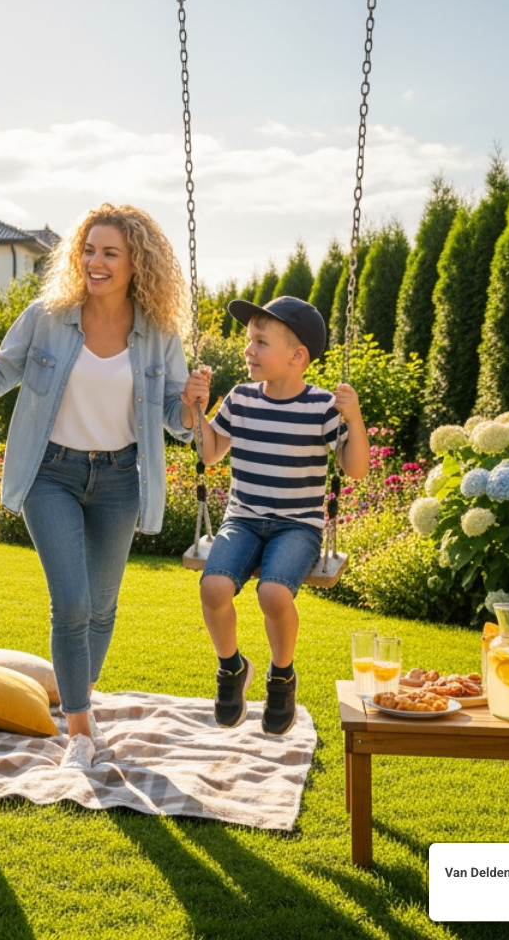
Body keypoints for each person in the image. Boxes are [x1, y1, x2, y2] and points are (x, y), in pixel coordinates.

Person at [0, 203, 211, 771]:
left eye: (110, 253)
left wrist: (193, 403)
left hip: (120, 478)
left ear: (136, 263)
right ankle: (77, 730)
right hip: (51, 473)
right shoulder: (47, 317)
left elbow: (176, 420)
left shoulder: (158, 333)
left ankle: (80, 698)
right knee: (71, 603)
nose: (96, 262)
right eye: (89, 250)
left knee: (101, 606)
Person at [194, 295, 367, 736]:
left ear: (297, 356)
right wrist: (195, 408)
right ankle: (231, 667)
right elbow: (210, 453)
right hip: (243, 519)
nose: (248, 349)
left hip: (297, 526)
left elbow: (355, 468)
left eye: (260, 341)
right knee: (213, 586)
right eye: (249, 340)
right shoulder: (240, 398)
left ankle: (282, 675)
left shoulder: (322, 406)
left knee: (273, 594)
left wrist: (354, 417)